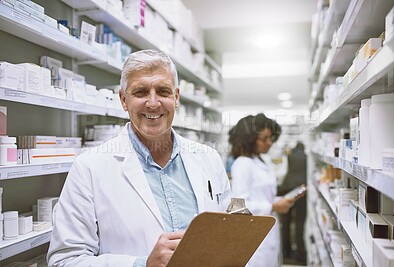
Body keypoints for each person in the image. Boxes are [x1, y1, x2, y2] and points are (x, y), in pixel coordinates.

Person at [47, 49, 231, 267]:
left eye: (163, 91)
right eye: (141, 92)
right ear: (124, 100)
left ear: (176, 97)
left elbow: (227, 236)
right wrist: (142, 264)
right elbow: (65, 260)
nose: (153, 103)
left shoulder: (208, 158)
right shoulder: (89, 167)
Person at [228, 113, 303, 267]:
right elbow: (238, 207)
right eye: (265, 139)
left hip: (267, 232)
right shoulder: (242, 164)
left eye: (271, 138)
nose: (270, 142)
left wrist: (281, 201)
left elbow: (260, 197)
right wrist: (274, 206)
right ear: (249, 139)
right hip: (254, 239)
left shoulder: (257, 160)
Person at [279, 142, 307, 264]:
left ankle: (286, 251)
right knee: (300, 222)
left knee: (286, 221)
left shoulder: (290, 155)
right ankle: (301, 254)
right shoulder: (306, 156)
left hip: (286, 188)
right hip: (301, 190)